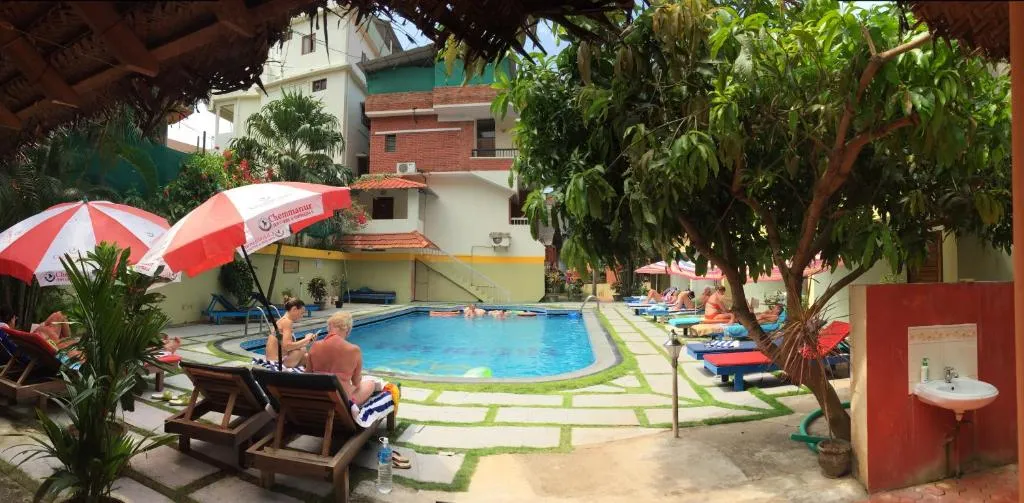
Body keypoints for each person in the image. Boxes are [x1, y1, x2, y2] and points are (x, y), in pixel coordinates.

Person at [306, 311, 376, 406]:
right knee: (371, 383)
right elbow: (356, 382)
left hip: (319, 397)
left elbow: (308, 375)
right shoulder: (353, 350)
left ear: (329, 327)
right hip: (341, 402)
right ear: (347, 329)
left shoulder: (315, 346)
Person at [265, 299, 314, 369]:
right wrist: (306, 339)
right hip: (278, 362)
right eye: (301, 313)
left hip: (273, 360)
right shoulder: (287, 322)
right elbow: (287, 346)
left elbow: (285, 346)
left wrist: (307, 341)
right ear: (294, 309)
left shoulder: (282, 320)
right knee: (303, 350)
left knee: (308, 357)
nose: (302, 316)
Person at [0, 305, 71, 345]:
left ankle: (67, 340)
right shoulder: (6, 332)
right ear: (11, 319)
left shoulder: (3, 332)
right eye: (15, 319)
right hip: (37, 351)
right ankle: (68, 341)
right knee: (60, 314)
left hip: (34, 346)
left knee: (57, 316)